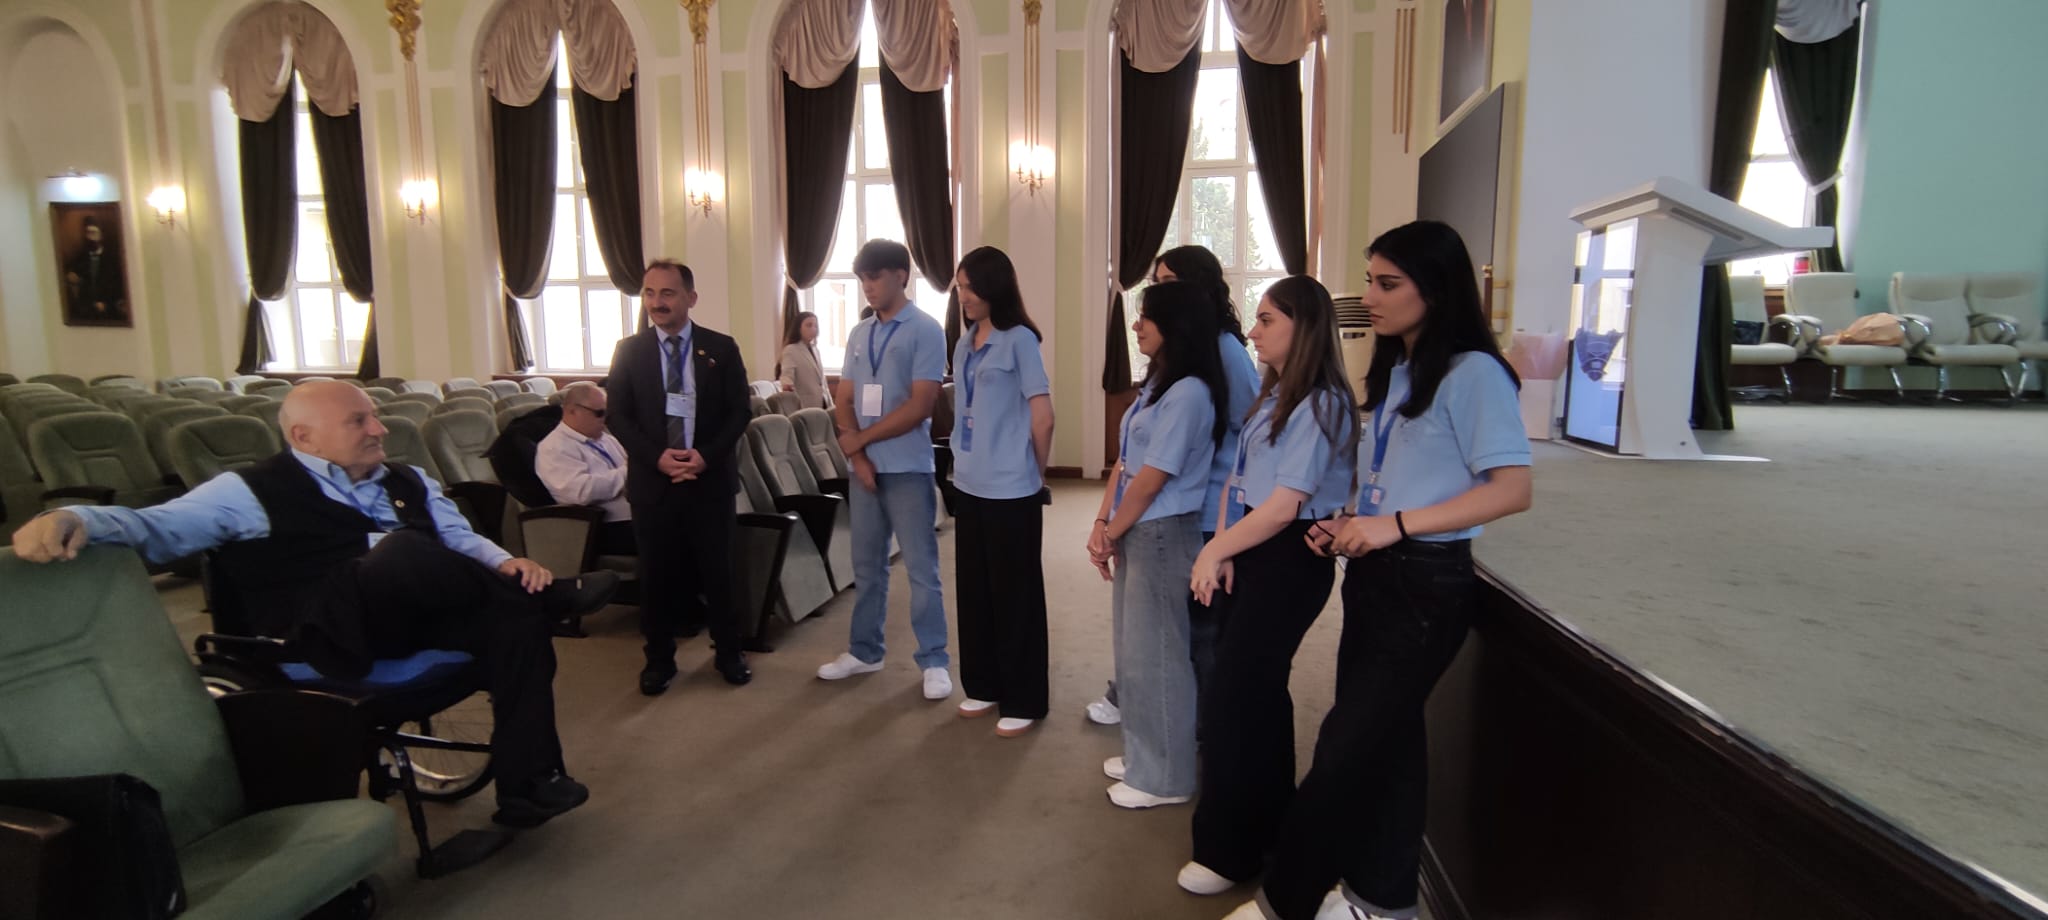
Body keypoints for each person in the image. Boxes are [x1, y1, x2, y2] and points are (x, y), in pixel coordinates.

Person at [9, 380, 613, 829]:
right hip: (321, 632)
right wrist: (76, 515)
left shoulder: (407, 479)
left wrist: (507, 563)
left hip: (412, 615)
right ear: (304, 437)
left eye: (374, 417)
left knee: (512, 623)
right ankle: (552, 601)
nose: (379, 430)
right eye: (359, 421)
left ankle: (528, 785)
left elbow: (458, 537)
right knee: (407, 552)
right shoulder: (248, 491)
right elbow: (157, 527)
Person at [1221, 220, 1532, 920]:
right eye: (1369, 280)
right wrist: (1350, 518)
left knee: (1344, 747)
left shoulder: (1475, 373)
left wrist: (1393, 525)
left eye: (1388, 284)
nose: (1369, 298)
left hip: (1426, 582)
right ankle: (1383, 900)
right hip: (1376, 576)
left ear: (1437, 288)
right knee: (1392, 743)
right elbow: (1400, 478)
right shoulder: (1400, 372)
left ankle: (1282, 901)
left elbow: (1512, 489)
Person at [1177, 276, 1358, 897]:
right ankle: (1265, 828)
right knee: (1253, 696)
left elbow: (1285, 506)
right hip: (1253, 545)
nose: (1252, 332)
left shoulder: (1321, 403)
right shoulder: (1275, 395)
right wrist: (1228, 545)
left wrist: (1214, 549)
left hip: (1288, 557)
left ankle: (1230, 850)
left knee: (1235, 698)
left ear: (1303, 328)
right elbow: (1240, 483)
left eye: (1266, 320)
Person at [1086, 246, 1259, 728]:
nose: (1158, 295)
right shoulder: (1170, 363)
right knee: (1147, 620)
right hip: (1161, 506)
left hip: (1200, 504)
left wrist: (1228, 525)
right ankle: (1133, 695)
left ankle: (1198, 726)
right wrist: (1105, 519)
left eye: (1168, 283)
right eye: (1157, 284)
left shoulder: (1223, 354)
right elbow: (1131, 458)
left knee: (1188, 626)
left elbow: (1247, 434)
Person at [1087, 281, 1227, 809]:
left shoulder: (1190, 391)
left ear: (1176, 326)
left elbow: (1152, 479)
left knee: (1160, 657)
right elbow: (1126, 464)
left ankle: (1166, 777)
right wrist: (1104, 521)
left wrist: (1112, 532)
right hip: (1138, 528)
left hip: (1163, 532)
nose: (1136, 325)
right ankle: (1144, 756)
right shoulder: (1159, 385)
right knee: (1134, 654)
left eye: (1146, 317)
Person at [606, 259, 754, 695]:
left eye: (667, 293)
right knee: (656, 577)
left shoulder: (720, 348)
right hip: (655, 484)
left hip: (709, 481)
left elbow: (739, 412)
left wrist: (705, 457)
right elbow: (618, 416)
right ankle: (658, 660)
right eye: (650, 293)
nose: (657, 302)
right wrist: (657, 458)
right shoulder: (629, 351)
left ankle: (729, 653)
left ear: (691, 298)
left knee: (719, 573)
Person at [817, 239, 953, 701]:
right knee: (867, 567)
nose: (867, 286)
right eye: (862, 279)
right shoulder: (861, 333)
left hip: (908, 466)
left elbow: (920, 405)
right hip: (865, 470)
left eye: (874, 277)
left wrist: (862, 441)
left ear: (900, 275)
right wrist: (857, 457)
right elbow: (844, 399)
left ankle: (934, 659)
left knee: (921, 569)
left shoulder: (926, 330)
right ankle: (865, 650)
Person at [948, 246, 1055, 738]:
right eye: (960, 287)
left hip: (1012, 488)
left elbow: (1042, 416)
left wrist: (1035, 472)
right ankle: (984, 683)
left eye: (971, 287)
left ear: (995, 286)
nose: (963, 296)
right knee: (975, 591)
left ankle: (1024, 696)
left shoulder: (1020, 341)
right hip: (969, 482)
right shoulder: (964, 343)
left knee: (1015, 596)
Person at [533, 382, 634, 556]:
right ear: (572, 411)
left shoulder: (605, 439)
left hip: (633, 514)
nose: (605, 419)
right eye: (599, 413)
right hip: (602, 526)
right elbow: (581, 492)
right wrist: (628, 472)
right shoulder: (554, 448)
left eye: (607, 413)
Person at [63, 216, 128, 324]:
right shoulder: (81, 257)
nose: (90, 237)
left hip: (109, 308)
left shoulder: (112, 258)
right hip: (86, 308)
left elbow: (118, 285)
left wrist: (107, 304)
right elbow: (73, 275)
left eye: (93, 233)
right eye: (88, 233)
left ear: (101, 235)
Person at [777, 311, 832, 410]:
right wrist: (787, 384)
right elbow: (787, 375)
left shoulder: (815, 349)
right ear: (799, 328)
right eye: (809, 325)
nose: (813, 329)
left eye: (815, 326)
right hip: (805, 404)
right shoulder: (791, 350)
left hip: (823, 401)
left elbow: (821, 379)